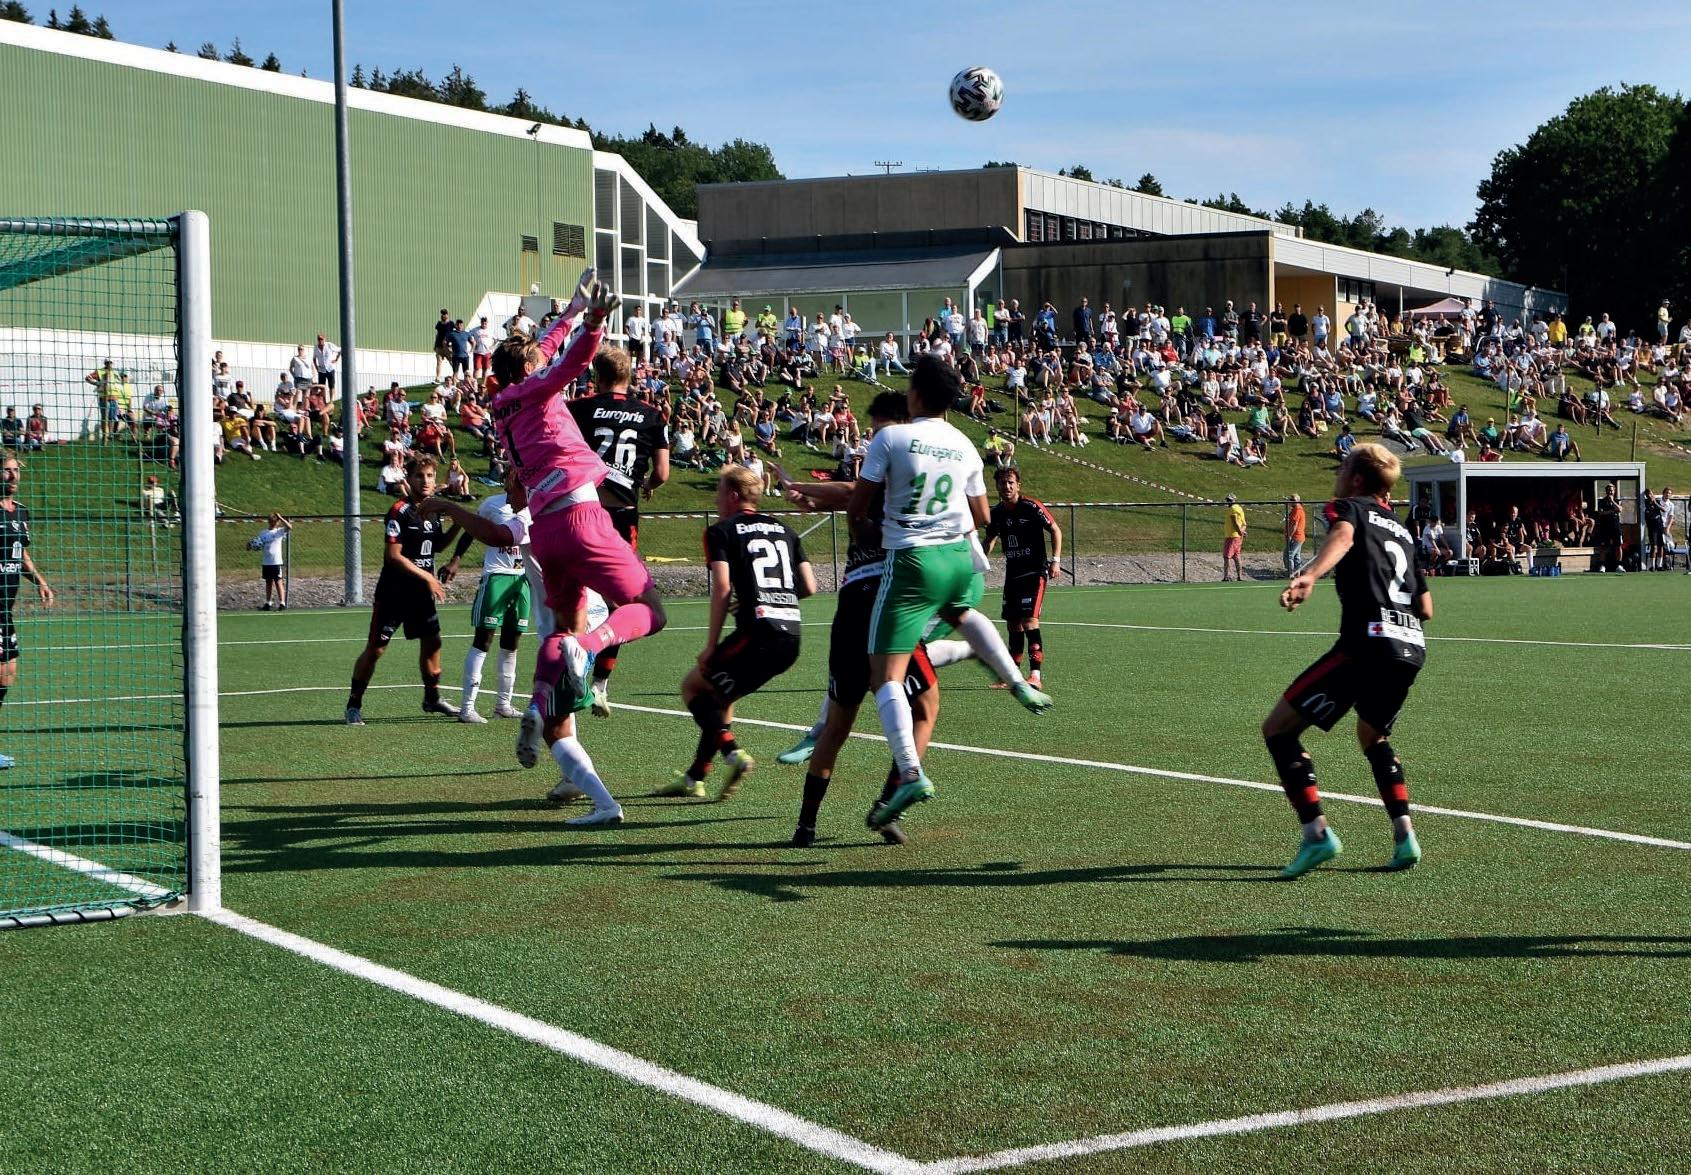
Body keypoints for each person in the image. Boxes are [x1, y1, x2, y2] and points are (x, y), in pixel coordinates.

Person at [846, 354, 1052, 829]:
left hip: (913, 560)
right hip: (959, 558)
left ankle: (910, 772)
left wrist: (871, 531)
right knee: (961, 611)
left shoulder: (891, 437)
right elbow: (983, 516)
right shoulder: (965, 444)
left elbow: (858, 508)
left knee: (885, 676)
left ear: (915, 394)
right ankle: (1017, 680)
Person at [772, 393, 978, 846]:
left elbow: (848, 494)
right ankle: (887, 806)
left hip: (856, 601)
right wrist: (807, 493)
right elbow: (849, 495)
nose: (875, 440)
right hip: (887, 600)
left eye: (881, 429)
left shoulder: (890, 467)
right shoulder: (915, 474)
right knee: (921, 707)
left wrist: (802, 489)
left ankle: (807, 825)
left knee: (840, 723)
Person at [490, 268, 668, 770]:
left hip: (545, 529)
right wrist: (593, 321)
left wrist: (569, 310)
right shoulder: (535, 391)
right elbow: (570, 364)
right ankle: (590, 649)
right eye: (535, 360)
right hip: (580, 514)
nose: (541, 358)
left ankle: (536, 705)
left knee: (559, 630)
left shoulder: (503, 401)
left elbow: (545, 351)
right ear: (527, 369)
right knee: (650, 609)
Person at [1261, 442, 1430, 879]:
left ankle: (1316, 834)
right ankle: (1405, 836)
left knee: (1278, 730)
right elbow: (1426, 607)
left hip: (1367, 644)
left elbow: (1344, 537)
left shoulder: (1350, 508)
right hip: (1411, 647)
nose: (1337, 476)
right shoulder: (1402, 531)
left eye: (1342, 469)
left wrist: (1310, 575)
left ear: (1356, 479)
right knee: (1373, 736)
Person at [662, 466, 816, 800]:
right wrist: (770, 599)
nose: (715, 501)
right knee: (722, 699)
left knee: (693, 686)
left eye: (718, 493)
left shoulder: (721, 531)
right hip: (791, 638)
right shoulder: (785, 530)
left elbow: (722, 587)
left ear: (733, 496)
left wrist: (710, 645)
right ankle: (695, 777)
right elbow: (809, 586)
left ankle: (733, 753)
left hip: (758, 634)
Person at [567, 346, 670, 718]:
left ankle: (572, 664)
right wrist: (647, 486)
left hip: (584, 509)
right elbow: (662, 473)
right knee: (621, 601)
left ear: (597, 377)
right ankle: (600, 684)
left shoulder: (580, 408)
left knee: (575, 590)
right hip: (623, 515)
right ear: (630, 376)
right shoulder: (651, 415)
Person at [344, 455, 461, 725]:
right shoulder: (399, 510)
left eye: (430, 476)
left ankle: (432, 699)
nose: (425, 481)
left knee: (433, 642)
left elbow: (436, 546)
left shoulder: (434, 510)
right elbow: (393, 556)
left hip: (421, 595)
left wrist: (457, 524)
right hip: (394, 594)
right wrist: (428, 577)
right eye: (419, 476)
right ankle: (353, 704)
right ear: (409, 479)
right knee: (376, 649)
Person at [0, 450, 55, 769]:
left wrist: (40, 582)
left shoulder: (20, 512)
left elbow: (21, 555)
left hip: (5, 611)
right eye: (7, 470)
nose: (13, 476)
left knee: (7, 676)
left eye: (15, 470)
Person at [982, 467, 1061, 689]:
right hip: (1013, 574)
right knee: (1013, 624)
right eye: (1002, 483)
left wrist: (1055, 560)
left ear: (1018, 485)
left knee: (1029, 621)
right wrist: (978, 558)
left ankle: (1035, 676)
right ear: (996, 486)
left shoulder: (1031, 507)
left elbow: (1055, 529)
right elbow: (990, 539)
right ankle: (1012, 676)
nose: (1006, 487)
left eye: (1010, 482)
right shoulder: (996, 513)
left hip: (1034, 572)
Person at [252, 513, 291, 610]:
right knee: (268, 582)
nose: (273, 523)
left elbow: (289, 527)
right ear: (269, 521)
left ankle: (282, 603)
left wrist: (281, 517)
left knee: (278, 581)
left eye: (275, 521)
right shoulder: (263, 532)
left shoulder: (279, 531)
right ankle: (268, 603)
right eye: (271, 521)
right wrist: (251, 546)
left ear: (277, 522)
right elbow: (258, 544)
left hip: (276, 561)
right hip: (266, 562)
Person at [1222, 494, 1247, 581]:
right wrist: (1242, 532)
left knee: (1227, 556)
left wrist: (1240, 532)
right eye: (1228, 500)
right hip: (1236, 536)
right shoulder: (1239, 508)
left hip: (1232, 536)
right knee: (1236, 556)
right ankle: (1239, 576)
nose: (1228, 502)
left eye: (1230, 500)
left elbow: (1235, 522)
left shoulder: (1233, 509)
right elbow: (1244, 524)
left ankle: (1226, 576)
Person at [1283, 493, 1306, 577]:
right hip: (1299, 537)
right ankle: (1297, 574)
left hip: (1296, 537)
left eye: (1293, 500)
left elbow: (1294, 525)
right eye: (1290, 500)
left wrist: (1289, 535)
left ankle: (1291, 574)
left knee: (1288, 555)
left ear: (1298, 501)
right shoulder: (1295, 509)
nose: (1291, 501)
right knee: (1296, 556)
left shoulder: (1297, 510)